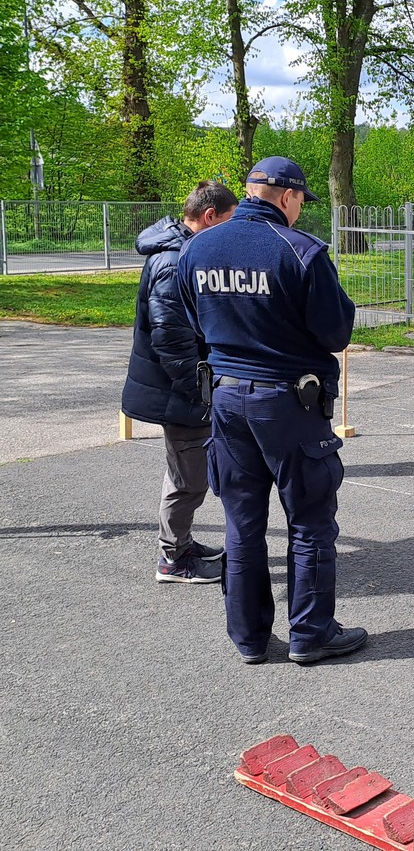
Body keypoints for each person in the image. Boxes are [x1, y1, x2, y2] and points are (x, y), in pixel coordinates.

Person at [177, 156, 365, 666]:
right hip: (287, 402)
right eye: (302, 200)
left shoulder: (197, 249)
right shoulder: (300, 250)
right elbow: (336, 332)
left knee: (242, 523)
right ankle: (311, 634)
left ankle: (250, 638)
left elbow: (196, 321)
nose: (302, 210)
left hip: (226, 397)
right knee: (309, 521)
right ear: (286, 196)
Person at [121, 181, 238, 584]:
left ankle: (181, 544)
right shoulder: (174, 260)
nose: (231, 233)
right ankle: (173, 559)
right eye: (228, 222)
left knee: (186, 473)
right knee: (188, 478)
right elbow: (172, 340)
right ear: (209, 218)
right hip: (180, 391)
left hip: (180, 389)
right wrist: (201, 392)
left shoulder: (179, 250)